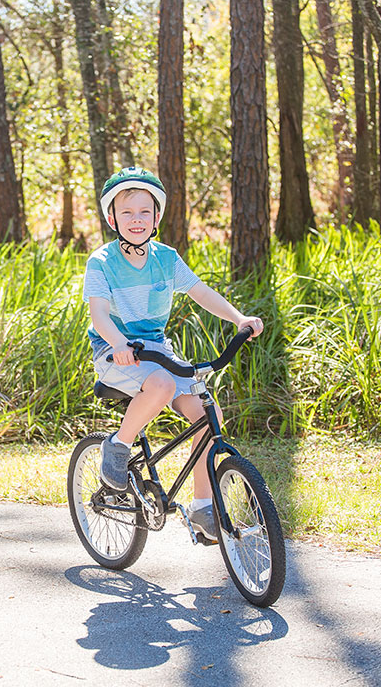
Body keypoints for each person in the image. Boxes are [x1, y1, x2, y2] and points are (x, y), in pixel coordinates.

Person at [82, 167, 263, 542]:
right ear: (112, 218)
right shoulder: (101, 262)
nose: (136, 220)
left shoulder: (166, 258)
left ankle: (201, 506)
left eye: (144, 212)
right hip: (114, 350)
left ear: (157, 217)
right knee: (162, 384)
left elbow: (200, 291)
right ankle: (117, 446)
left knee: (207, 413)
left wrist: (238, 318)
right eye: (127, 212)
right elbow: (99, 314)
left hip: (156, 348)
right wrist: (117, 343)